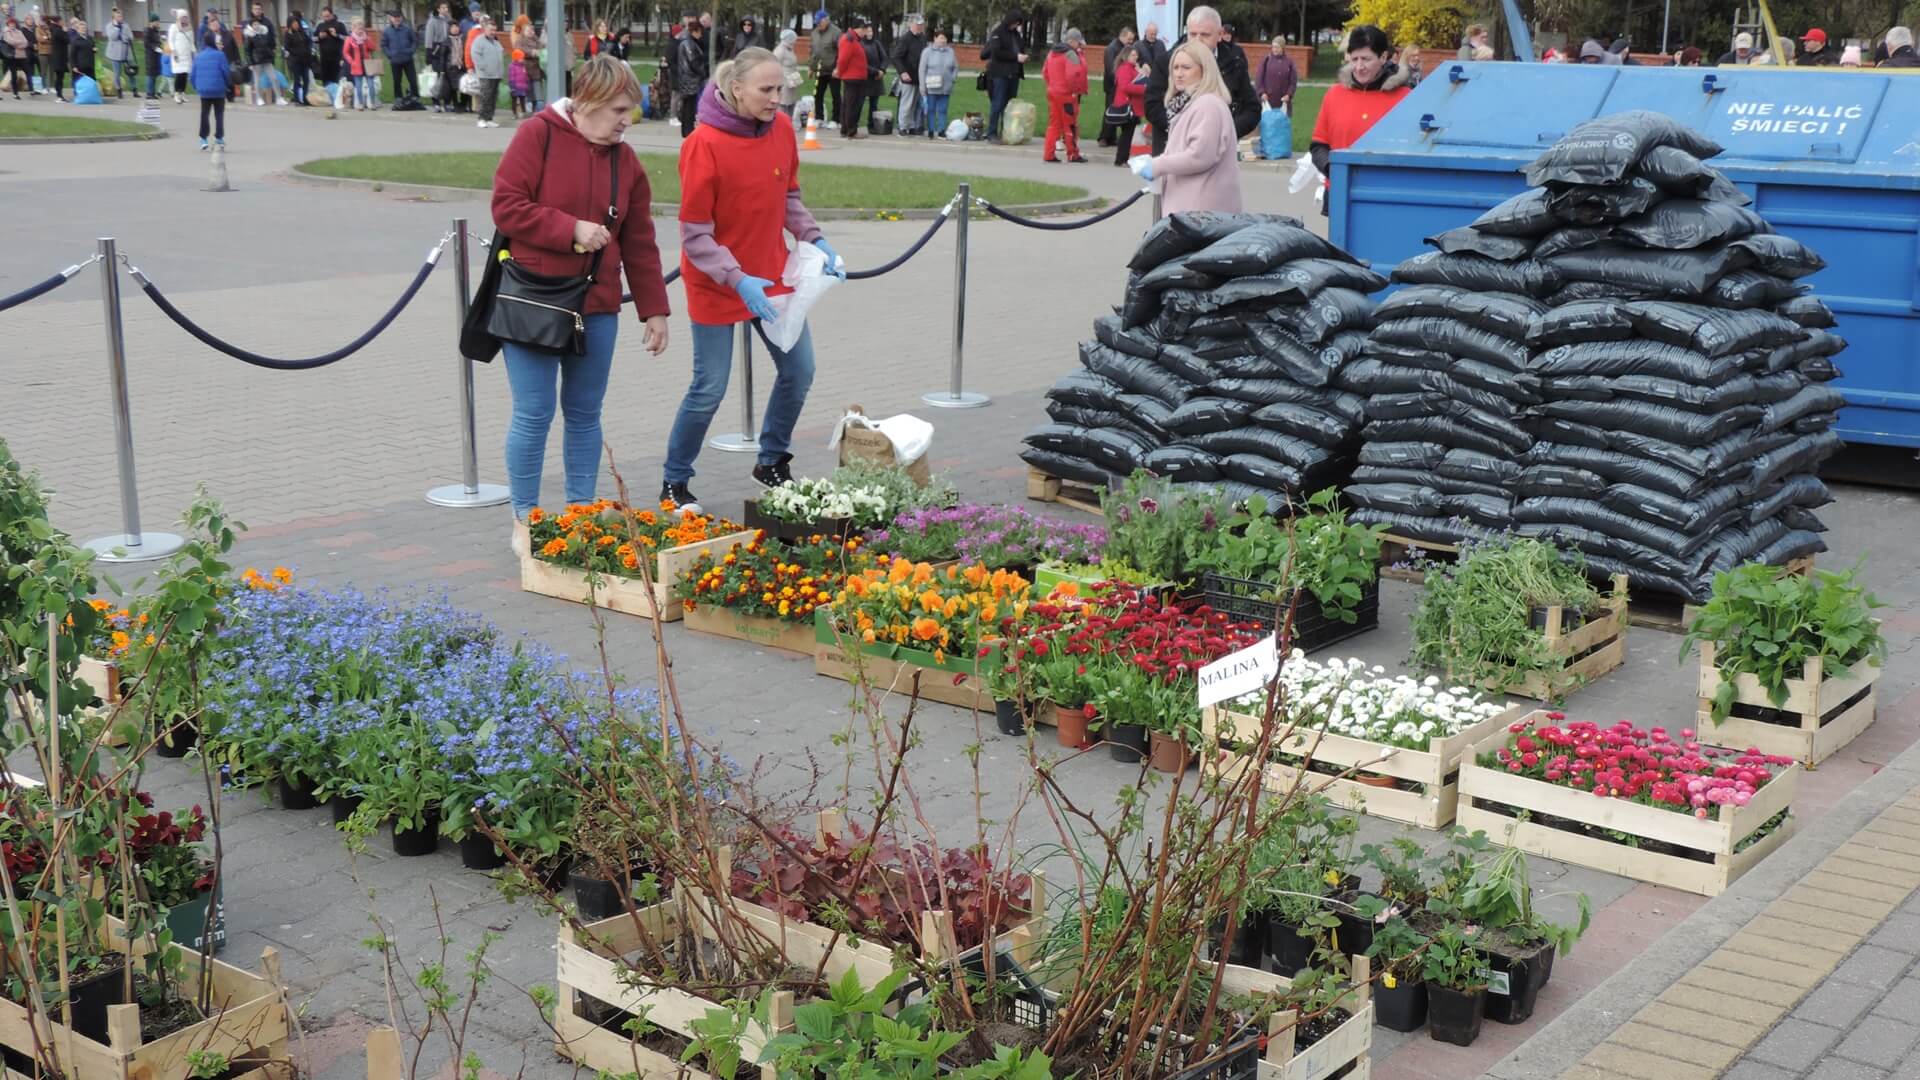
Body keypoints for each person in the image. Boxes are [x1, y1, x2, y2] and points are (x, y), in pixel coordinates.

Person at [491, 53, 670, 538]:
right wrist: (569, 228)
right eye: (618, 110)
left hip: (597, 305)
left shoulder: (626, 161)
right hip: (535, 300)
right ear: (588, 101)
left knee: (586, 414)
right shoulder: (538, 135)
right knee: (534, 413)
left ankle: (580, 515)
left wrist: (654, 310)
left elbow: (640, 240)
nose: (626, 121)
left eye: (630, 110)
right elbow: (507, 206)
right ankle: (525, 521)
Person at [666, 47, 843, 511]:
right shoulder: (702, 144)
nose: (776, 98)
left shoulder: (781, 129)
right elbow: (695, 234)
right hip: (717, 282)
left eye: (780, 88)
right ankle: (674, 480)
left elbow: (789, 197)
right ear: (736, 88)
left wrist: (816, 240)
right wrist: (736, 277)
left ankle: (772, 460)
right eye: (766, 89)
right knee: (709, 386)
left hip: (771, 275)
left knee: (799, 370)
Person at [1310, 24, 1411, 214]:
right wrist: (1335, 170)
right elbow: (1318, 146)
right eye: (1354, 59)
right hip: (1340, 193)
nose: (1359, 67)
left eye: (1366, 59)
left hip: (1387, 198)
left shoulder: (1405, 98)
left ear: (1383, 57)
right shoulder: (1334, 95)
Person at [1136, 40, 1239, 214]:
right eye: (1175, 68)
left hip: (1201, 212)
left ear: (1204, 70)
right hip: (1192, 209)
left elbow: (1200, 156)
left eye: (1186, 67)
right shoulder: (1189, 104)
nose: (1179, 74)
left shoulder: (1208, 105)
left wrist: (1157, 165)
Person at [1145, 6, 1256, 155]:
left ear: (1220, 34)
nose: (1197, 40)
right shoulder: (1166, 61)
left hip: (1218, 152)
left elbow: (1252, 109)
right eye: (1193, 34)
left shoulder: (1234, 63)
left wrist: (1226, 132)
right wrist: (1184, 130)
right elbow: (1152, 106)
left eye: (1205, 35)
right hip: (1172, 150)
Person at [1041, 28, 1088, 163]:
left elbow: (1045, 72)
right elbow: (1072, 75)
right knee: (1070, 124)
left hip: (1053, 92)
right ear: (1072, 41)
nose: (1079, 45)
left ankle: (1048, 154)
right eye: (1078, 42)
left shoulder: (1052, 52)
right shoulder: (1071, 54)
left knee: (1054, 124)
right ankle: (1073, 154)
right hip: (1067, 94)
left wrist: (1052, 85)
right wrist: (1075, 90)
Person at [980, 9, 1026, 141]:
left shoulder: (1016, 35)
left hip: (1014, 73)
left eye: (1018, 24)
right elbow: (997, 52)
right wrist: (1016, 57)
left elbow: (1020, 48)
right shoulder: (998, 33)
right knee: (997, 103)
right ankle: (992, 132)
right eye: (1015, 23)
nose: (1016, 26)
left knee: (1010, 106)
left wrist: (1022, 56)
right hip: (1000, 73)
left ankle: (1006, 131)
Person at [192, 27, 228, 147]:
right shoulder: (220, 55)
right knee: (219, 114)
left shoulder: (199, 56)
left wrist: (196, 86)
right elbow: (225, 72)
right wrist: (227, 84)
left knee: (205, 113)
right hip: (218, 89)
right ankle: (219, 137)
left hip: (204, 90)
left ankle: (203, 138)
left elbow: (193, 74)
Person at [1097, 26, 1134, 146]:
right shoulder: (1112, 48)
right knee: (1110, 110)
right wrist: (1119, 80)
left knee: (1116, 110)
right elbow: (1110, 69)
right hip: (1112, 86)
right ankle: (1103, 137)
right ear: (1122, 36)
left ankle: (1111, 137)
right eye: (1129, 39)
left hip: (1118, 85)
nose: (1131, 42)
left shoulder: (1122, 48)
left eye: (1132, 39)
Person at [889, 13, 925, 134]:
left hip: (919, 77)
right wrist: (902, 72)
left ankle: (911, 125)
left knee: (914, 104)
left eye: (921, 24)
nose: (920, 27)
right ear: (911, 25)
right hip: (908, 76)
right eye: (917, 24)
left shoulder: (922, 38)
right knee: (906, 103)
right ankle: (902, 126)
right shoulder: (905, 38)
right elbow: (895, 57)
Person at [1109, 43, 1144, 164]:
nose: (1136, 57)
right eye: (1133, 55)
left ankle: (1123, 158)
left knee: (1128, 133)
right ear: (1126, 56)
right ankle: (1121, 158)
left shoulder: (1133, 68)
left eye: (1136, 55)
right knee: (1127, 134)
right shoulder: (1125, 69)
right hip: (1127, 105)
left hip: (1133, 105)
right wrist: (1143, 89)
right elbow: (1125, 87)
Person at [918, 27, 955, 137]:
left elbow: (955, 67)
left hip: (946, 87)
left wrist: (952, 78)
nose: (943, 40)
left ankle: (941, 130)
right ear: (935, 38)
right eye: (941, 38)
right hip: (931, 86)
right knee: (931, 109)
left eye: (944, 38)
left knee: (943, 109)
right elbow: (922, 69)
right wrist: (922, 86)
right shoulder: (927, 52)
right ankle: (931, 130)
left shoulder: (950, 51)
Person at [834, 14, 867, 137]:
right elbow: (843, 59)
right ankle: (851, 130)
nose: (865, 32)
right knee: (852, 105)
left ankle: (845, 129)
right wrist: (840, 72)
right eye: (864, 29)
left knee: (848, 104)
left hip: (855, 77)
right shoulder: (849, 39)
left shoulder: (853, 39)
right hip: (852, 77)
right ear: (859, 28)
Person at [673, 14, 707, 135]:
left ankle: (686, 130)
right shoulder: (689, 43)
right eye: (700, 32)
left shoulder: (686, 42)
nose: (701, 35)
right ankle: (688, 130)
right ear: (694, 31)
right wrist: (703, 72)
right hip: (690, 79)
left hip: (687, 78)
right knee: (690, 107)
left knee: (688, 106)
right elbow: (693, 61)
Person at [469, 14, 500, 125]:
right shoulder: (479, 41)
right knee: (485, 96)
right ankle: (481, 118)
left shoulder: (496, 42)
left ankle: (489, 118)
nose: (493, 32)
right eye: (491, 30)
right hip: (485, 74)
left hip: (496, 74)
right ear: (485, 29)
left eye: (494, 30)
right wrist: (483, 67)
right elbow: (475, 55)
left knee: (493, 97)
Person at [241, 3, 275, 103]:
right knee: (256, 78)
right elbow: (245, 40)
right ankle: (256, 98)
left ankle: (271, 96)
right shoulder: (247, 22)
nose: (257, 11)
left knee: (271, 77)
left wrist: (272, 48)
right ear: (252, 10)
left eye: (259, 9)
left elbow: (272, 36)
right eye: (255, 9)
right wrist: (249, 59)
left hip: (267, 54)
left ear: (262, 10)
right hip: (254, 55)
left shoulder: (267, 22)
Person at [808, 9, 837, 124]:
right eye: (817, 23)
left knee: (835, 95)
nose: (818, 25)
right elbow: (812, 51)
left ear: (826, 20)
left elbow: (841, 51)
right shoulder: (814, 33)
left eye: (820, 22)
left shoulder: (836, 32)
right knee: (818, 94)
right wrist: (811, 67)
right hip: (820, 70)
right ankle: (819, 117)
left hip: (833, 70)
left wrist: (838, 67)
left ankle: (836, 119)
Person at [383, 9, 417, 102]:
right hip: (395, 60)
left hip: (408, 59)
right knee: (397, 80)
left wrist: (411, 51)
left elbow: (414, 41)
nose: (397, 19)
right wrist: (390, 55)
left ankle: (415, 96)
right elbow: (384, 45)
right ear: (391, 19)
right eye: (395, 17)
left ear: (401, 18)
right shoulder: (387, 31)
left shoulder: (407, 29)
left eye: (399, 17)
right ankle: (398, 97)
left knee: (412, 79)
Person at [1255, 36, 1296, 112]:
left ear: (1282, 48)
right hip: (1268, 101)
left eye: (1277, 47)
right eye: (1273, 47)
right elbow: (1259, 79)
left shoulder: (1289, 62)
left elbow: (1293, 82)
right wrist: (1262, 93)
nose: (1275, 49)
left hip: (1283, 102)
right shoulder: (1266, 60)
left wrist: (1289, 95)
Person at [425, 2, 452, 109]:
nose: (445, 9)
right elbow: (429, 37)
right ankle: (436, 102)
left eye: (446, 7)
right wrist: (429, 53)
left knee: (447, 77)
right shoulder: (432, 21)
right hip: (436, 51)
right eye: (443, 7)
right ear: (438, 9)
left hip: (447, 51)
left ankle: (447, 102)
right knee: (436, 77)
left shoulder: (449, 20)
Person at [342, 16, 372, 108]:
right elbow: (345, 52)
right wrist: (352, 62)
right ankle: (360, 103)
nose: (360, 30)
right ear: (353, 28)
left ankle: (372, 103)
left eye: (362, 28)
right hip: (357, 65)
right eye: (359, 28)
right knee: (358, 86)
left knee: (371, 84)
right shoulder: (349, 39)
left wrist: (367, 39)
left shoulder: (366, 38)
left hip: (367, 64)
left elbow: (372, 48)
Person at [314, 9, 344, 103]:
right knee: (325, 78)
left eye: (327, 16)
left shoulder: (340, 25)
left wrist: (336, 35)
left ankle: (337, 98)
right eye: (324, 16)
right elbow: (313, 38)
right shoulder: (320, 26)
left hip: (337, 58)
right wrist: (319, 37)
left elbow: (347, 38)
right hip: (324, 58)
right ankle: (327, 98)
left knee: (336, 78)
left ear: (332, 15)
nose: (326, 18)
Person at [102, 8, 133, 97]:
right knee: (117, 72)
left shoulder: (126, 25)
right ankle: (119, 89)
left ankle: (134, 89)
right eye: (118, 16)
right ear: (114, 17)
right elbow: (112, 37)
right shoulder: (109, 26)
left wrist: (125, 38)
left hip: (126, 52)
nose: (120, 18)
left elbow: (130, 36)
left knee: (131, 71)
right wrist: (116, 28)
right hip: (114, 53)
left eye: (121, 16)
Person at [167, 9, 195, 101]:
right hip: (178, 55)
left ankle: (182, 93)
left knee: (185, 75)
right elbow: (171, 40)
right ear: (179, 18)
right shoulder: (174, 27)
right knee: (179, 75)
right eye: (183, 17)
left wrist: (194, 52)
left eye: (186, 17)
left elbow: (191, 42)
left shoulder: (190, 28)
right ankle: (176, 94)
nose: (184, 19)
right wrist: (173, 51)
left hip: (187, 56)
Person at [284, 15, 311, 103]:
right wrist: (290, 34)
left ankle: (305, 97)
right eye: (294, 23)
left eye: (297, 23)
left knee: (306, 80)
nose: (296, 25)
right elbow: (286, 47)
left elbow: (308, 41)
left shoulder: (302, 32)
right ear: (290, 24)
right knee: (297, 80)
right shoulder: (288, 34)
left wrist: (309, 51)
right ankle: (297, 98)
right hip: (295, 60)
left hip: (305, 60)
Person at [773, 27, 800, 114]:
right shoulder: (780, 50)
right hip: (784, 81)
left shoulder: (790, 49)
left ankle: (790, 119)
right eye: (792, 40)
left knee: (792, 103)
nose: (794, 42)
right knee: (783, 103)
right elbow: (775, 66)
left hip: (792, 79)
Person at [2, 14, 27, 97]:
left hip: (21, 55)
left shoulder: (19, 32)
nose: (12, 25)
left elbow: (25, 42)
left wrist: (17, 43)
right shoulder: (6, 32)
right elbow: (10, 41)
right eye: (10, 23)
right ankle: (15, 93)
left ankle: (30, 88)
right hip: (11, 55)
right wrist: (19, 42)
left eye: (13, 23)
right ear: (8, 24)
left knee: (28, 71)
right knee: (13, 74)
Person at [67, 18, 93, 93]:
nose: (83, 30)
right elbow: (72, 55)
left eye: (84, 28)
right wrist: (74, 66)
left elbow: (92, 46)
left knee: (89, 82)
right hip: (79, 65)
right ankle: (78, 95)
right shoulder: (75, 40)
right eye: (81, 28)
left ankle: (89, 95)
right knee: (79, 82)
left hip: (89, 64)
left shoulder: (89, 38)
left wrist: (94, 49)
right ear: (78, 30)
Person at [44, 12, 65, 100]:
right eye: (62, 21)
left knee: (59, 76)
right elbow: (66, 39)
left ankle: (58, 93)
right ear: (58, 21)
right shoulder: (58, 30)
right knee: (60, 76)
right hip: (59, 56)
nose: (63, 22)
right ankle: (59, 95)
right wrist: (65, 31)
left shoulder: (52, 29)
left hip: (56, 55)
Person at [507, 45, 527, 115]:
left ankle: (523, 112)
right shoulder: (512, 66)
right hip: (515, 87)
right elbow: (511, 77)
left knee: (523, 100)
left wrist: (526, 84)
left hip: (522, 87)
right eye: (521, 58)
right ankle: (514, 113)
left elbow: (525, 76)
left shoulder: (523, 66)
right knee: (514, 100)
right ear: (516, 58)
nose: (523, 59)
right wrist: (512, 87)